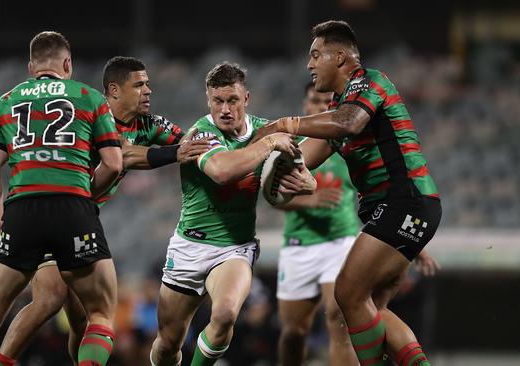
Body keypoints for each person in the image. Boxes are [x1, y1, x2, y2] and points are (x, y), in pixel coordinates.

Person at [0, 56, 210, 365]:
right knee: (50, 298)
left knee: (82, 322)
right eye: (139, 85)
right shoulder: (92, 115)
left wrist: (228, 143)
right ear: (114, 90)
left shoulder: (149, 124)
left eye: (148, 83)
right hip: (54, 210)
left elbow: (192, 141)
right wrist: (177, 152)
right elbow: (124, 155)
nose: (148, 90)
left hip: (80, 220)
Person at [255, 20, 441, 366]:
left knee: (346, 293)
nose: (309, 65)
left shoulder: (371, 82)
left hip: (403, 201)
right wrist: (265, 162)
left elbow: (347, 123)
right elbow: (302, 159)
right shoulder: (342, 105)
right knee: (373, 309)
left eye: (315, 55)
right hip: (407, 208)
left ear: (339, 57)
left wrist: (283, 124)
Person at [0, 31, 123, 366]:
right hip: (73, 206)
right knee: (100, 314)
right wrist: (85, 197)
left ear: (31, 67)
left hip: (22, 210)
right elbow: (114, 164)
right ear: (67, 64)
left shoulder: (3, 103)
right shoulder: (89, 97)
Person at [150, 62, 317, 366]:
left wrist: (307, 182)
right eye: (218, 101)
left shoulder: (268, 130)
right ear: (208, 100)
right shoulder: (200, 134)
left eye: (233, 100)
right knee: (168, 344)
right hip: (190, 247)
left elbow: (299, 169)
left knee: (225, 314)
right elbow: (222, 171)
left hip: (234, 247)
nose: (225, 109)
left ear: (246, 99)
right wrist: (267, 143)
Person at [275, 82, 359, 366]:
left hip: (341, 242)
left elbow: (373, 194)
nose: (322, 107)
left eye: (328, 103)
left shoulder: (348, 149)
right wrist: (310, 200)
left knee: (340, 322)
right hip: (299, 244)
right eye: (315, 101)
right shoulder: (290, 151)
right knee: (294, 332)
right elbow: (272, 197)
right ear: (305, 106)